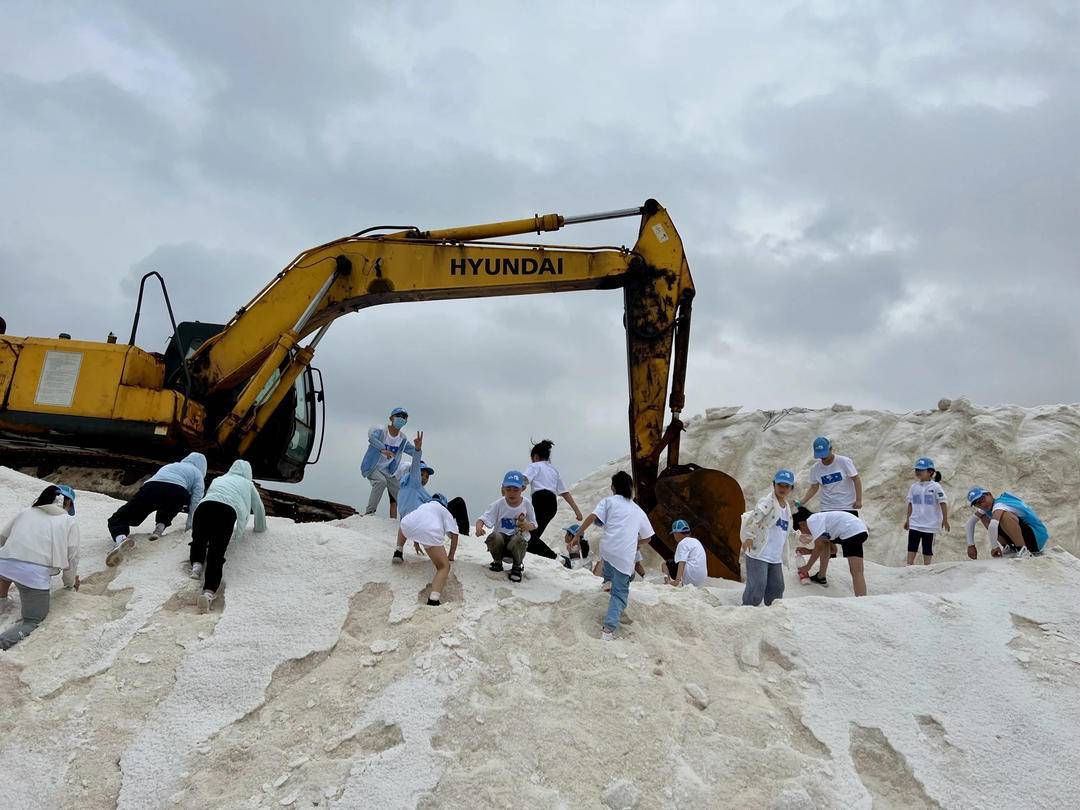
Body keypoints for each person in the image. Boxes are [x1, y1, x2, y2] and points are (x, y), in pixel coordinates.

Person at [572, 471, 655, 640]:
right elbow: (648, 537)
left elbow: (593, 517)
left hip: (608, 549)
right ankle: (609, 629)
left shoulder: (608, 501)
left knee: (609, 558)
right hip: (624, 555)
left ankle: (607, 580)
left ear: (612, 487)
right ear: (631, 488)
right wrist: (636, 544)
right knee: (619, 595)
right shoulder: (638, 510)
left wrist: (577, 534)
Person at [0, 484, 80, 650]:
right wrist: (70, 583)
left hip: (4, 563)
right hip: (33, 575)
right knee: (32, 620)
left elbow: (2, 538)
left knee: (5, 570)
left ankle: (1, 601)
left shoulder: (26, 511)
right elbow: (72, 558)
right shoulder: (68, 521)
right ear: (68, 504)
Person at [188, 459, 267, 612]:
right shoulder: (248, 484)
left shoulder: (219, 479)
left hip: (204, 507)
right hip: (226, 511)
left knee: (199, 539)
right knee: (216, 551)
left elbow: (211, 494)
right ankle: (208, 592)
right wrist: (260, 528)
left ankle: (196, 567)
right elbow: (258, 507)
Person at [106, 452, 207, 566]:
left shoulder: (170, 465)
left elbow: (155, 480)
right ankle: (159, 528)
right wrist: (190, 527)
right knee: (171, 503)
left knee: (120, 517)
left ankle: (121, 538)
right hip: (177, 492)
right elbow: (196, 502)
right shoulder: (197, 474)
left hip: (151, 488)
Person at [395, 432, 472, 533]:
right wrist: (417, 450)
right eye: (422, 474)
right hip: (422, 519)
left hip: (416, 519)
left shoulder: (408, 489)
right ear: (414, 473)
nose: (424, 478)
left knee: (437, 498)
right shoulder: (413, 482)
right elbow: (415, 467)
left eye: (427, 476)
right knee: (458, 502)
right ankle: (464, 533)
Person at [740, 469, 795, 606]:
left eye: (786, 486)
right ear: (774, 485)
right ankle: (746, 611)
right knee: (757, 586)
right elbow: (754, 519)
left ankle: (771, 615)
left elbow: (785, 530)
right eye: (780, 485)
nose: (782, 488)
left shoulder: (786, 507)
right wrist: (749, 537)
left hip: (774, 556)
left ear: (791, 488)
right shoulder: (767, 502)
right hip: (759, 553)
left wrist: (799, 537)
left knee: (777, 588)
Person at [523, 440, 583, 559]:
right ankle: (553, 558)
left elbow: (524, 480)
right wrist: (577, 511)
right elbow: (565, 492)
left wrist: (513, 490)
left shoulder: (534, 465)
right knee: (532, 536)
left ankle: (555, 558)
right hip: (552, 504)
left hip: (540, 500)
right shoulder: (554, 470)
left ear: (535, 457)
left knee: (528, 537)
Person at [396, 494, 459, 606]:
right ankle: (433, 599)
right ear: (444, 504)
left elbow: (417, 522)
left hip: (409, 526)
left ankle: (398, 551)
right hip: (431, 533)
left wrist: (416, 541)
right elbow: (454, 534)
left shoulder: (424, 506)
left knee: (404, 523)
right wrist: (451, 555)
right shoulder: (444, 511)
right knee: (444, 567)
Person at [475, 471, 537, 583]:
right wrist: (479, 528)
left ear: (523, 489)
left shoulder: (527, 504)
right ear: (503, 488)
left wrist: (526, 526)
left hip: (516, 545)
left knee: (519, 539)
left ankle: (517, 566)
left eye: (515, 489)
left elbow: (534, 524)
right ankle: (497, 562)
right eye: (508, 489)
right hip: (501, 544)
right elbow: (482, 519)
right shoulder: (498, 504)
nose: (512, 493)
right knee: (494, 536)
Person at [793, 507, 869, 596]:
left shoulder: (812, 520)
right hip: (859, 529)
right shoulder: (823, 521)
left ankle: (861, 599)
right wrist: (809, 551)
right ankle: (821, 577)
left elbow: (819, 547)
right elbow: (833, 550)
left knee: (856, 571)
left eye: (801, 531)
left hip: (851, 531)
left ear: (802, 524)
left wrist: (807, 567)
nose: (804, 534)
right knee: (826, 544)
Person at [360, 407, 415, 516]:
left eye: (404, 417)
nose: (401, 419)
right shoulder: (381, 431)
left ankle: (410, 516)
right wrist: (383, 449)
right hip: (373, 467)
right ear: (391, 418)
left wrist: (418, 449)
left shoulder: (402, 439)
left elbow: (413, 451)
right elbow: (372, 439)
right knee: (381, 482)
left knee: (400, 490)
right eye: (398, 416)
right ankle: (370, 512)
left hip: (387, 471)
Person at [965, 487, 1049, 559]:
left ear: (989, 494)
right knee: (983, 516)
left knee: (1005, 516)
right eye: (977, 504)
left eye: (982, 499)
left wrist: (995, 547)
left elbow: (993, 525)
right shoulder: (988, 507)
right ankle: (1009, 547)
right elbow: (970, 523)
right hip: (1025, 536)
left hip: (1037, 537)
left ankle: (1023, 550)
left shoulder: (1000, 504)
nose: (982, 504)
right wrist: (971, 545)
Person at [904, 457, 949, 566]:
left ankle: (927, 566)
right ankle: (909, 565)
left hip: (930, 524)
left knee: (927, 547)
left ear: (930, 472)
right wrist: (908, 519)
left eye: (921, 470)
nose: (918, 472)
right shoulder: (914, 487)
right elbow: (910, 504)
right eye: (916, 470)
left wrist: (945, 520)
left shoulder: (936, 487)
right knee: (912, 545)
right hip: (915, 523)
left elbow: (943, 503)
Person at [661, 519, 707, 588]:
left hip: (690, 577)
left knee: (664, 564)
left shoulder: (682, 543)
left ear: (677, 533)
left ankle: (667, 583)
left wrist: (676, 581)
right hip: (702, 579)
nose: (674, 537)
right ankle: (682, 583)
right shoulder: (696, 541)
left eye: (674, 534)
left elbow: (682, 562)